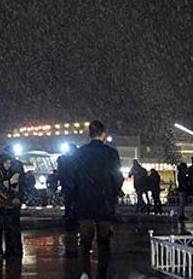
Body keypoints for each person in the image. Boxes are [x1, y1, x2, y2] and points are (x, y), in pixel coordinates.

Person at [74, 120, 123, 279]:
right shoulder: (111, 153)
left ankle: (85, 272)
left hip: (85, 200)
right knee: (104, 241)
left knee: (85, 241)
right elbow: (117, 177)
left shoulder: (80, 152)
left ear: (90, 134)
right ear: (103, 134)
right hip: (104, 200)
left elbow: (74, 177)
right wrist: (113, 193)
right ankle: (102, 272)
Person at [0, 153, 21, 258]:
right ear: (2, 163)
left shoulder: (9, 172)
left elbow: (13, 187)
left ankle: (9, 250)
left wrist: (15, 194)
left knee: (8, 228)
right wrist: (10, 181)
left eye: (9, 163)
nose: (9, 165)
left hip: (8, 204)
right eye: (7, 163)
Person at [56, 144, 78, 257]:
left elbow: (60, 172)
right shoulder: (77, 158)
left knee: (68, 202)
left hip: (67, 185)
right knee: (73, 204)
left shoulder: (62, 159)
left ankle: (69, 218)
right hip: (75, 186)